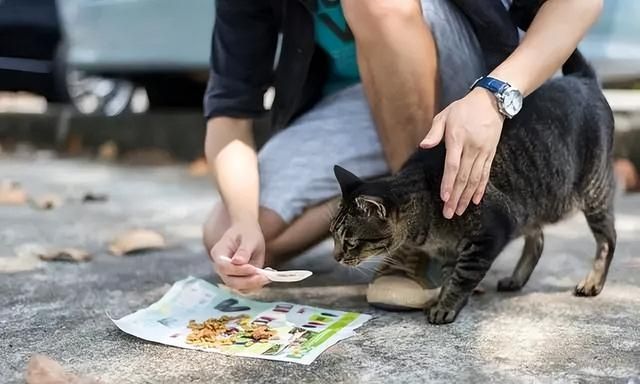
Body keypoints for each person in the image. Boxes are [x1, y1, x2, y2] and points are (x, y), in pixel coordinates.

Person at [202, 0, 604, 309]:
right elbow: (228, 121)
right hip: (366, 103)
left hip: (486, 81)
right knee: (229, 238)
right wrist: (243, 219)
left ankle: (421, 242)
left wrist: (495, 95)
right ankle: (384, 206)